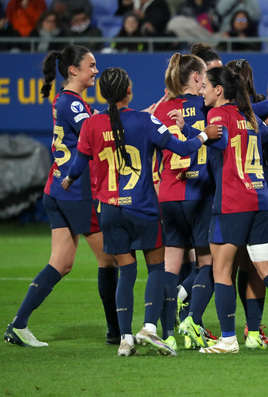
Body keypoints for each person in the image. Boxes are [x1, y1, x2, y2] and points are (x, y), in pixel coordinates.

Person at [61, 66, 222, 356]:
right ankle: (149, 327)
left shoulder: (91, 125)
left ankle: (125, 338)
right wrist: (204, 136)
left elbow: (78, 163)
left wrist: (69, 179)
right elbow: (183, 149)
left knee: (126, 273)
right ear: (128, 91)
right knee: (156, 269)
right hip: (143, 208)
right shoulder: (144, 121)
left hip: (109, 210)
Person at [4, 45, 119, 348]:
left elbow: (98, 122)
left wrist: (136, 115)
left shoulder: (67, 101)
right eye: (91, 65)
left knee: (62, 262)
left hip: (56, 189)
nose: (96, 70)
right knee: (109, 260)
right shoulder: (74, 104)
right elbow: (97, 133)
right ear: (74, 70)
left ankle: (18, 324)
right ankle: (115, 331)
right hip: (76, 193)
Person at [198, 66, 268, 353]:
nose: (201, 90)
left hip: (232, 202)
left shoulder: (216, 115)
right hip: (260, 201)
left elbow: (219, 140)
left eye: (206, 85)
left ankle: (229, 339)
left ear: (219, 90)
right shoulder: (250, 117)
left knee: (221, 270)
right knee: (265, 267)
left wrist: (200, 136)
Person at [153, 53, 222, 351]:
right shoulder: (207, 107)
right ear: (196, 77)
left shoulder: (160, 108)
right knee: (209, 262)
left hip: (168, 193)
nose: (206, 82)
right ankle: (189, 315)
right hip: (200, 193)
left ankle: (165, 332)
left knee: (169, 266)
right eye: (204, 76)